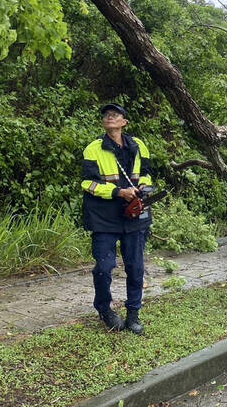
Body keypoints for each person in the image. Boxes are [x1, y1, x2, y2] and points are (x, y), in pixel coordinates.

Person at [81, 103, 153, 334]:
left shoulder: (139, 145)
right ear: (103, 122)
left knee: (135, 266)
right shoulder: (93, 149)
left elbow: (148, 174)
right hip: (104, 217)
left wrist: (143, 186)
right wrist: (117, 192)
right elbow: (87, 183)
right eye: (106, 115)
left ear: (124, 122)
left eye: (115, 114)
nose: (110, 117)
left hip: (134, 214)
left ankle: (133, 312)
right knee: (103, 267)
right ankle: (105, 310)